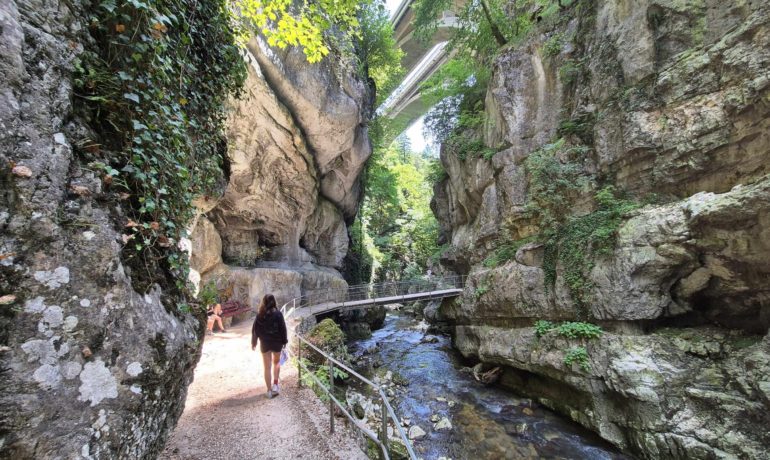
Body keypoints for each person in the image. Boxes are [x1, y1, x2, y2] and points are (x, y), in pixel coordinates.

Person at [251, 294, 288, 398]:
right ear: (274, 302)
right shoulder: (278, 314)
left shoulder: (260, 315)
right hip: (277, 343)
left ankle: (268, 391)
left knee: (267, 367)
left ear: (264, 302)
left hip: (265, 344)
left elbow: (255, 330)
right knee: (276, 363)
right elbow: (283, 329)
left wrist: (254, 342)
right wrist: (284, 341)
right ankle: (275, 385)